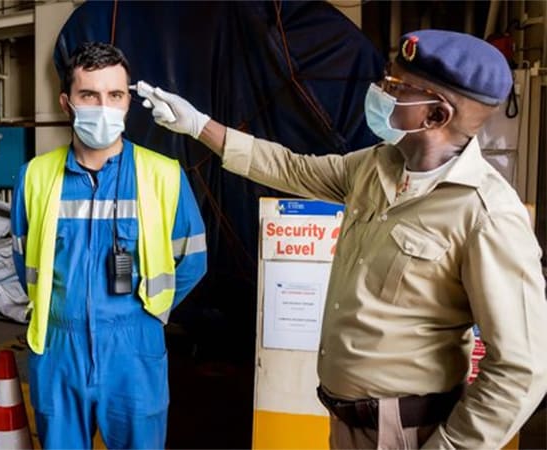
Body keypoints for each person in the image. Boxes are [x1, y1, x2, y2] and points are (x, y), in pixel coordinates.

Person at [137, 29, 547, 449]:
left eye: (395, 87)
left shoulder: (486, 214)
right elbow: (293, 169)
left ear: (435, 116)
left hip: (409, 434)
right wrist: (199, 125)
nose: (379, 92)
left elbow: (520, 370)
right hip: (346, 423)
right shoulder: (377, 166)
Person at [11, 42, 207, 449]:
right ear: (67, 102)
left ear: (127, 102)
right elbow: (25, 261)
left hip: (135, 350)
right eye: (89, 95)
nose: (104, 107)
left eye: (115, 96)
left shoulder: (163, 175)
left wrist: (148, 314)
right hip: (59, 348)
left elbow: (191, 260)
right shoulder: (35, 177)